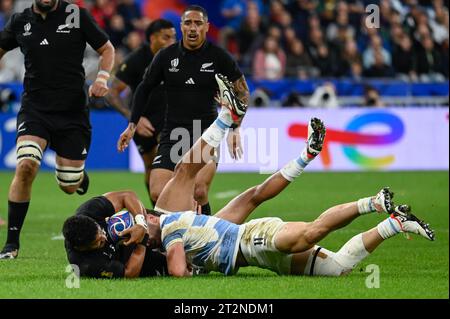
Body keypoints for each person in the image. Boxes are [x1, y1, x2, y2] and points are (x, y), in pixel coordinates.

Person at [139, 85, 434, 277]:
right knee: (337, 268)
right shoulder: (196, 230)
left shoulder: (172, 224)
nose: (196, 200)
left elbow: (255, 194)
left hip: (253, 241)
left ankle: (373, 202)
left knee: (309, 232)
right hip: (260, 256)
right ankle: (395, 222)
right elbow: (255, 195)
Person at [0, 0, 115, 259]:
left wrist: (102, 77)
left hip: (72, 113)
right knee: (27, 164)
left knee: (69, 186)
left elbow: (107, 48)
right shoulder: (20, 21)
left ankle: (77, 177)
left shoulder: (76, 15)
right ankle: (11, 243)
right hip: (35, 109)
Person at [117, 5, 250, 216]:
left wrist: (235, 128)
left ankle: (207, 236)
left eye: (198, 23)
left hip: (205, 134)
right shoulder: (165, 56)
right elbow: (144, 88)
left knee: (198, 190)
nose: (193, 28)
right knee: (157, 191)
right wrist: (132, 124)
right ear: (182, 26)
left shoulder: (219, 57)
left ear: (206, 27)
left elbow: (242, 92)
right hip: (173, 133)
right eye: (188, 23)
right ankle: (168, 241)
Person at [108, 19, 176, 202]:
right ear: (153, 38)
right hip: (143, 120)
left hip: (171, 119)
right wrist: (134, 119)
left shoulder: (177, 57)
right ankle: (158, 207)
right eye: (166, 37)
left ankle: (175, 207)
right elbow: (113, 92)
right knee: (151, 166)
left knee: (170, 164)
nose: (172, 41)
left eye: (174, 37)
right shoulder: (137, 60)